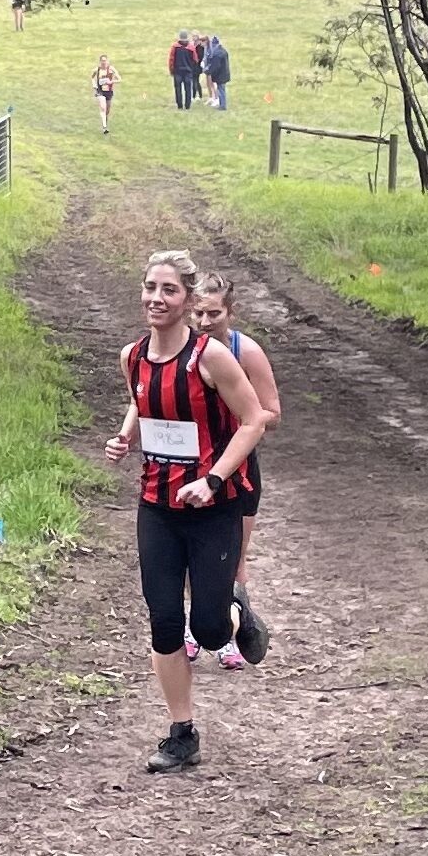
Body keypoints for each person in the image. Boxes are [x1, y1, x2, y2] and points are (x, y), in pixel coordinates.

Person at [102, 252, 269, 773]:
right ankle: (181, 733)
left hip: (214, 506)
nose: (157, 298)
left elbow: (254, 420)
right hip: (157, 505)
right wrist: (126, 435)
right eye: (150, 287)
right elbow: (143, 397)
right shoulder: (131, 355)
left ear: (188, 300)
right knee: (164, 620)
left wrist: (214, 478)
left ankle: (236, 610)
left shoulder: (211, 357)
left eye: (169, 290)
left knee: (212, 630)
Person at [188, 276, 280, 669]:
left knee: (233, 557)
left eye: (214, 313)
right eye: (198, 313)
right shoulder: (179, 348)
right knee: (191, 553)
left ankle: (230, 631)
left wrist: (239, 415)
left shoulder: (246, 351)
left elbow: (271, 414)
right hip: (190, 466)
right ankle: (197, 627)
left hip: (237, 469)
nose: (205, 321)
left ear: (231, 312)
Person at [169, 31, 199, 111]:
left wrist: (172, 70)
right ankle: (187, 106)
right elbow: (195, 60)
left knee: (178, 89)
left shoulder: (175, 47)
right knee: (188, 89)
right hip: (188, 72)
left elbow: (171, 59)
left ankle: (179, 106)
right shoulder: (191, 48)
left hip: (177, 71)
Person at [92, 54, 119, 133]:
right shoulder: (97, 70)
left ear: (107, 61)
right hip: (100, 91)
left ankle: (105, 125)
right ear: (100, 61)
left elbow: (119, 79)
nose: (104, 62)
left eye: (105, 61)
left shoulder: (111, 69)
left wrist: (111, 81)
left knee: (107, 111)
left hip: (109, 92)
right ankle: (104, 127)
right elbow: (92, 77)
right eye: (102, 61)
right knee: (103, 108)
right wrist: (94, 85)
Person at [205, 33, 232, 110]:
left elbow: (215, 66)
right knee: (222, 89)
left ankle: (222, 105)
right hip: (225, 73)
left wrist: (208, 71)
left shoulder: (217, 54)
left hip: (220, 75)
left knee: (220, 90)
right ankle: (222, 104)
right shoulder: (223, 51)